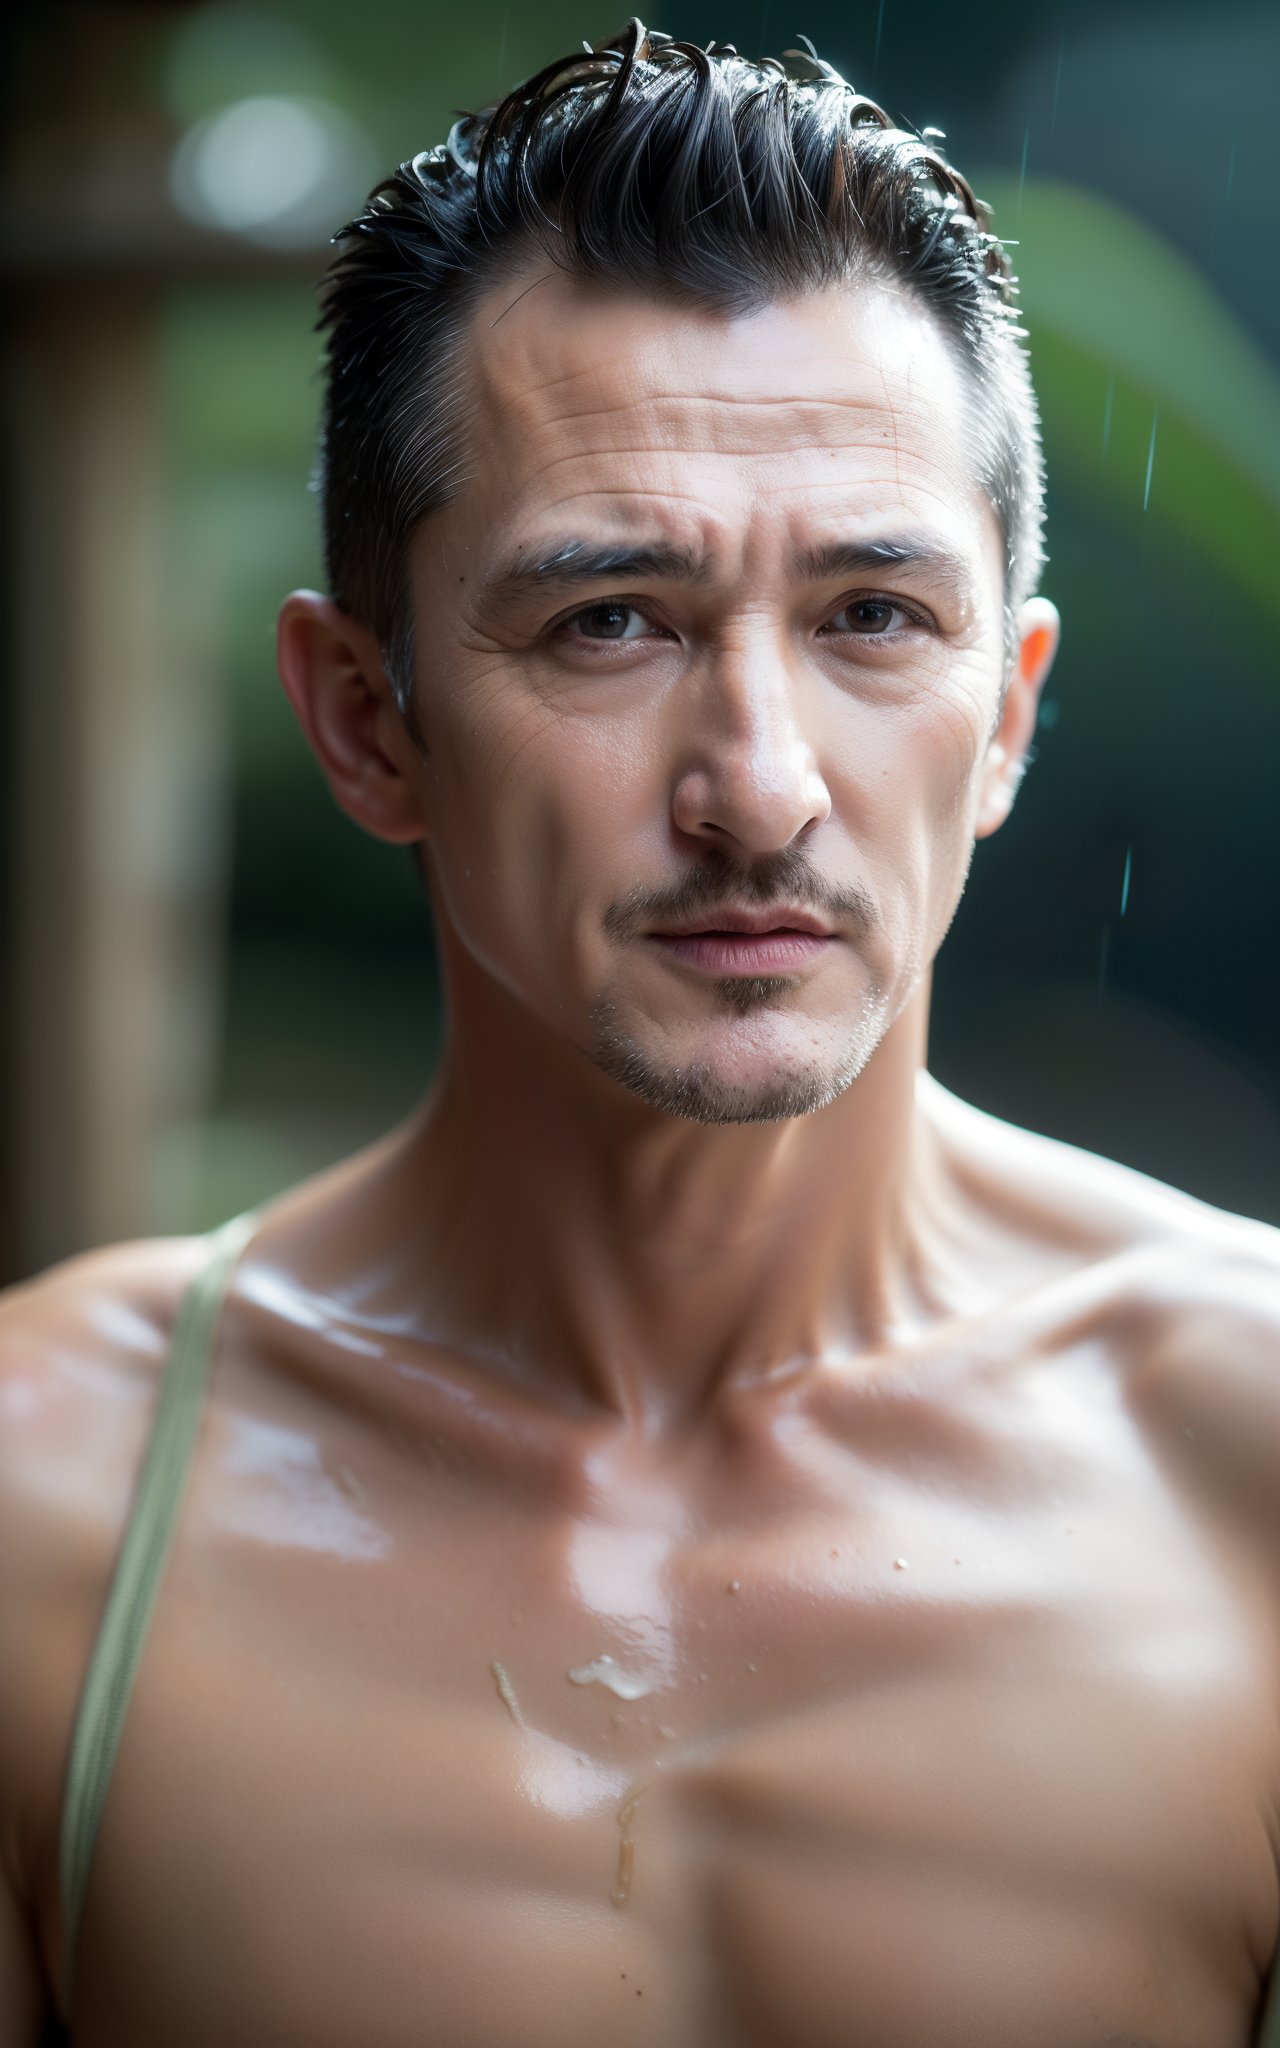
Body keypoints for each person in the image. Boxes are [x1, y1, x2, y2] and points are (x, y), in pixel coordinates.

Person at [3, 20, 1278, 2045]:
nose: (759, 785)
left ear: (1011, 708)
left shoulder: (1242, 1465)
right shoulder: (47, 1508)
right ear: (364, 718)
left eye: (873, 615)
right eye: (610, 620)